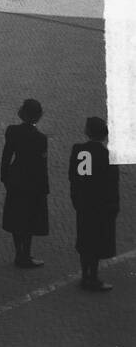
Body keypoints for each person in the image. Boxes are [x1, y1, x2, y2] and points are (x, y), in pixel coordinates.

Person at [69, 117, 118, 292]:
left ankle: (85, 276)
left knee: (85, 241)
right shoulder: (107, 156)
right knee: (97, 242)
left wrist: (77, 200)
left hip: (85, 205)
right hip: (101, 207)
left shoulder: (82, 152)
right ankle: (93, 277)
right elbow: (112, 187)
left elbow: (78, 179)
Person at [1, 98, 49, 269]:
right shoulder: (40, 138)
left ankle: (18, 253)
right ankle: (25, 254)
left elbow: (6, 156)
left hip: (16, 177)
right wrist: (44, 188)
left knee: (16, 217)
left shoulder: (12, 131)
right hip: (32, 182)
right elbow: (41, 166)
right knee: (29, 220)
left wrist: (5, 177)